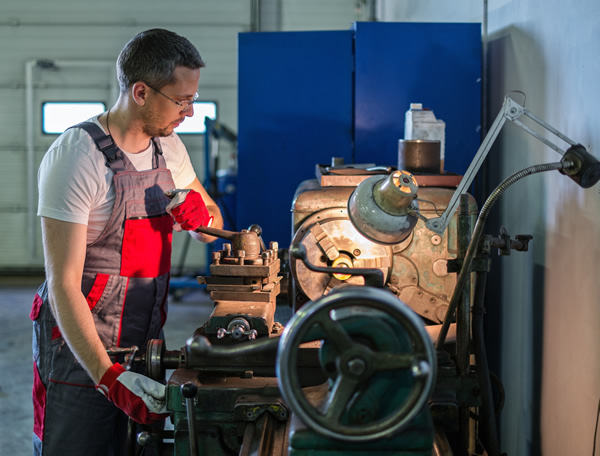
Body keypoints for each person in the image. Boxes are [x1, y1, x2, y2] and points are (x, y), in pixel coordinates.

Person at [31, 28, 223, 455]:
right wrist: (106, 376)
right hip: (82, 351)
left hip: (145, 344)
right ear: (140, 91)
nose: (189, 113)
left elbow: (213, 220)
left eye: (193, 99)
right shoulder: (77, 157)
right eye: (181, 100)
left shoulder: (169, 149)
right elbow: (62, 284)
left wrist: (198, 215)